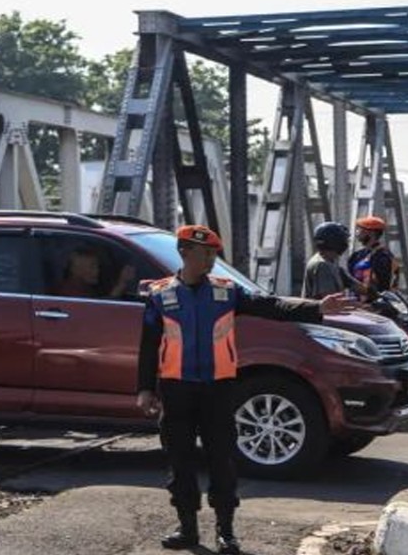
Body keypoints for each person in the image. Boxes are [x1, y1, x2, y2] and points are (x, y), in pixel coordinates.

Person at [135, 225, 352, 554]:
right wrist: (144, 390)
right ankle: (188, 527)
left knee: (221, 459)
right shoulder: (160, 295)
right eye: (204, 253)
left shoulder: (226, 291)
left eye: (213, 254)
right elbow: (149, 346)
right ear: (184, 252)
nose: (211, 260)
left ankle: (226, 530)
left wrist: (316, 308)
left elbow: (272, 305)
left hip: (218, 389)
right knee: (180, 461)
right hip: (176, 389)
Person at [347, 215, 400, 302]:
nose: (357, 233)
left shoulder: (384, 257)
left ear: (371, 233)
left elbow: (385, 285)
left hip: (376, 306)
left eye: (360, 230)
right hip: (357, 304)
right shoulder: (357, 255)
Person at [54, 246, 136, 299]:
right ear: (76, 270)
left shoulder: (86, 287)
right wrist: (122, 283)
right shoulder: (70, 293)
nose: (97, 271)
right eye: (92, 267)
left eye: (97, 267)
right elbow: (100, 311)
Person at [302, 221, 358, 299]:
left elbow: (354, 284)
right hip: (323, 311)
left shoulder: (330, 262)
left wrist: (374, 293)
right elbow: (331, 301)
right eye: (343, 240)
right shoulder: (322, 265)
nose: (345, 243)